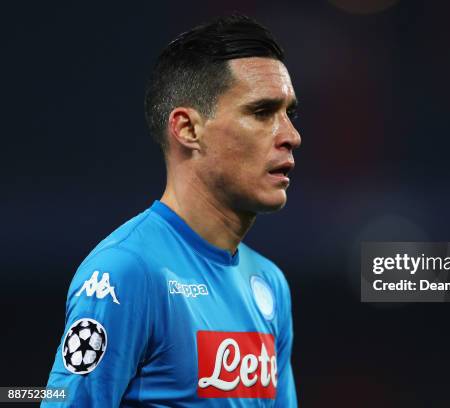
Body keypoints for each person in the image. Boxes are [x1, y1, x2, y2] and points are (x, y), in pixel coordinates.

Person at [43, 15, 301, 407]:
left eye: (289, 114)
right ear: (187, 129)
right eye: (263, 112)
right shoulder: (126, 272)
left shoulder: (270, 283)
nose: (291, 136)